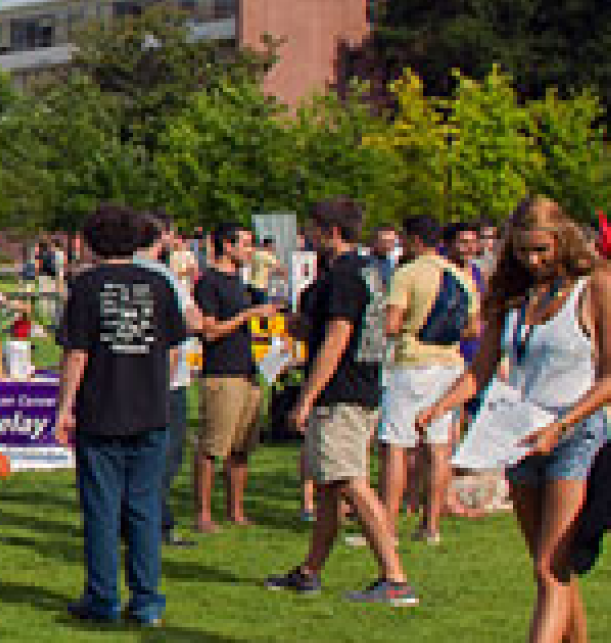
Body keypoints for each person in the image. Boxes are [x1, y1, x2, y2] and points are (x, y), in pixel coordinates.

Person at [417, 196, 611, 643]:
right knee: (551, 565)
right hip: (519, 435)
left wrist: (563, 424)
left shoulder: (596, 286)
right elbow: (483, 368)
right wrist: (440, 407)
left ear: (563, 241)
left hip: (574, 435)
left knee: (548, 565)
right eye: (522, 252)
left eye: (540, 250)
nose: (532, 260)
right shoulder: (517, 297)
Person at [265, 197, 417, 606]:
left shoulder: (346, 276)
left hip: (342, 391)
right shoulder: (367, 271)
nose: (308, 237)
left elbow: (337, 338)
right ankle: (310, 570)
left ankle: (395, 576)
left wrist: (306, 398)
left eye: (313, 229)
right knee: (331, 485)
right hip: (362, 385)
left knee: (349, 480)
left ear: (331, 232)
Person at [54, 205, 187, 627]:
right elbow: (171, 349)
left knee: (102, 507)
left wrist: (64, 408)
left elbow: (77, 353)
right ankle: (147, 599)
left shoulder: (87, 286)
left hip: (102, 408)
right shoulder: (159, 284)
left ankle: (103, 596)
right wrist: (158, 392)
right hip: (150, 409)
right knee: (145, 507)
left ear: (93, 242)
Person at [377, 215, 477, 544]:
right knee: (439, 447)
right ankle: (430, 525)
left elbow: (391, 324)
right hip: (449, 363)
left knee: (396, 445)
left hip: (411, 363)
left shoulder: (406, 274)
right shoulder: (461, 276)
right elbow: (474, 328)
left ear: (415, 240)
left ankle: (387, 527)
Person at [193, 223, 277, 534]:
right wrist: (247, 316)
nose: (250, 250)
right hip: (222, 373)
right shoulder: (209, 282)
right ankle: (203, 513)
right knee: (212, 446)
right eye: (245, 244)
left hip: (247, 371)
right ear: (226, 246)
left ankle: (236, 510)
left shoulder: (240, 281)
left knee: (242, 447)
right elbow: (210, 330)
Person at [136, 213, 205, 548]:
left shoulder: (113, 273)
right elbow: (193, 321)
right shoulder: (164, 277)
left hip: (126, 377)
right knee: (165, 455)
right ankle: (155, 523)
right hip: (166, 379)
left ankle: (132, 519)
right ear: (161, 236)